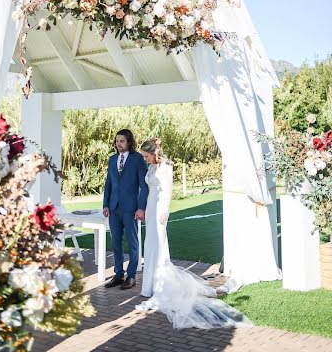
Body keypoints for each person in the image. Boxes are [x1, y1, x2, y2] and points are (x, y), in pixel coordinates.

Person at [136, 138, 252, 329]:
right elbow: (149, 190)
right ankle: (148, 286)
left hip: (159, 209)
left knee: (158, 246)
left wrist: (164, 209)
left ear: (154, 153)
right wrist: (146, 209)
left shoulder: (166, 167)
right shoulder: (151, 168)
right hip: (150, 207)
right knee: (149, 246)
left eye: (146, 156)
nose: (145, 159)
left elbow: (167, 191)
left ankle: (160, 285)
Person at [103, 129, 148, 290]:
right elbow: (108, 183)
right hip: (114, 208)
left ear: (129, 142)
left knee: (132, 242)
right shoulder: (112, 159)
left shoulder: (137, 159)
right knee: (115, 242)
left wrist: (141, 207)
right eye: (116, 141)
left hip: (131, 208)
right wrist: (105, 204)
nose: (118, 144)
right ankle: (118, 274)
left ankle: (131, 276)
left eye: (121, 141)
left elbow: (144, 185)